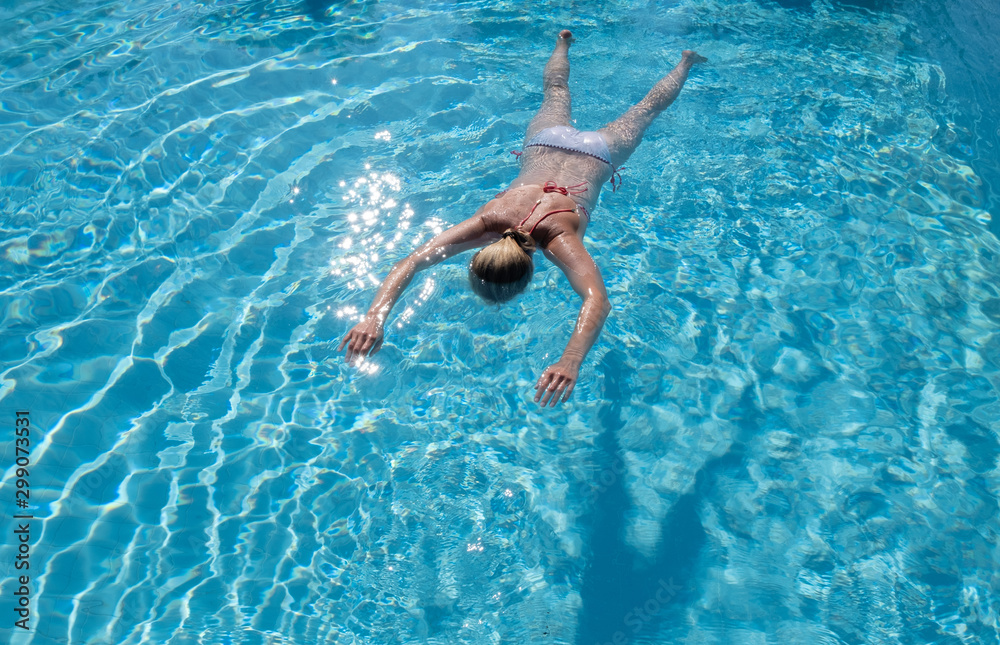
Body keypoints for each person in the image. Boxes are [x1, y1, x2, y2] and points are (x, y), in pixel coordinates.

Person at [340, 30, 706, 406]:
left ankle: (685, 63)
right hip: (546, 141)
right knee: (557, 91)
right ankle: (564, 41)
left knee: (646, 109)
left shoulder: (556, 238)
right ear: (486, 253)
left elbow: (597, 301)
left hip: (599, 155)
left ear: (530, 268)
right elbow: (412, 261)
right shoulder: (489, 219)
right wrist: (373, 317)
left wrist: (571, 361)